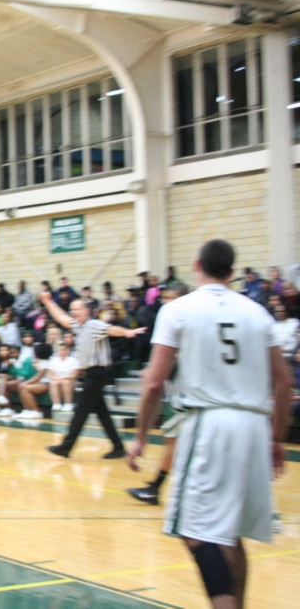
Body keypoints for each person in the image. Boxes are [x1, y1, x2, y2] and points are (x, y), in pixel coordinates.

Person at [127, 240, 292, 609]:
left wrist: (140, 437)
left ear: (197, 264)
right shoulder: (258, 312)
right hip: (254, 425)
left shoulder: (179, 309)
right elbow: (283, 383)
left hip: (209, 422)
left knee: (193, 531)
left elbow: (154, 382)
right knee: (231, 536)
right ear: (232, 271)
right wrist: (276, 438)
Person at [39, 290, 146, 459]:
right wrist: (48, 302)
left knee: (81, 410)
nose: (73, 312)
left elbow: (111, 329)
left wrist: (127, 332)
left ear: (87, 311)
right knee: (102, 413)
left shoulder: (94, 325)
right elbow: (61, 318)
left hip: (98, 373)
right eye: (72, 309)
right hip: (90, 374)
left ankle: (66, 447)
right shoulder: (77, 326)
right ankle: (118, 447)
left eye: (77, 309)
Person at [127, 281, 189, 505]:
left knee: (175, 441)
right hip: (188, 398)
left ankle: (156, 488)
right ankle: (157, 486)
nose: (165, 303)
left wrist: (154, 372)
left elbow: (158, 380)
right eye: (163, 299)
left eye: (170, 298)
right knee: (173, 440)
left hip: (191, 400)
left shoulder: (178, 321)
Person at [13, 343, 56, 419]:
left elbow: (39, 376)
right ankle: (27, 410)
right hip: (40, 383)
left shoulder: (46, 363)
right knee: (20, 386)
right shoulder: (39, 361)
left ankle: (36, 411)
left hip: (46, 384)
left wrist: (26, 382)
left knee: (24, 388)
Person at [46, 342, 80, 412]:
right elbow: (50, 375)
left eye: (64, 350)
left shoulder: (73, 360)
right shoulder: (53, 361)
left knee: (65, 382)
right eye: (60, 350)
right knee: (53, 383)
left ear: (67, 351)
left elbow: (74, 375)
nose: (62, 351)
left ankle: (68, 404)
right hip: (57, 380)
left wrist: (63, 378)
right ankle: (56, 404)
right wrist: (58, 379)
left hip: (70, 381)